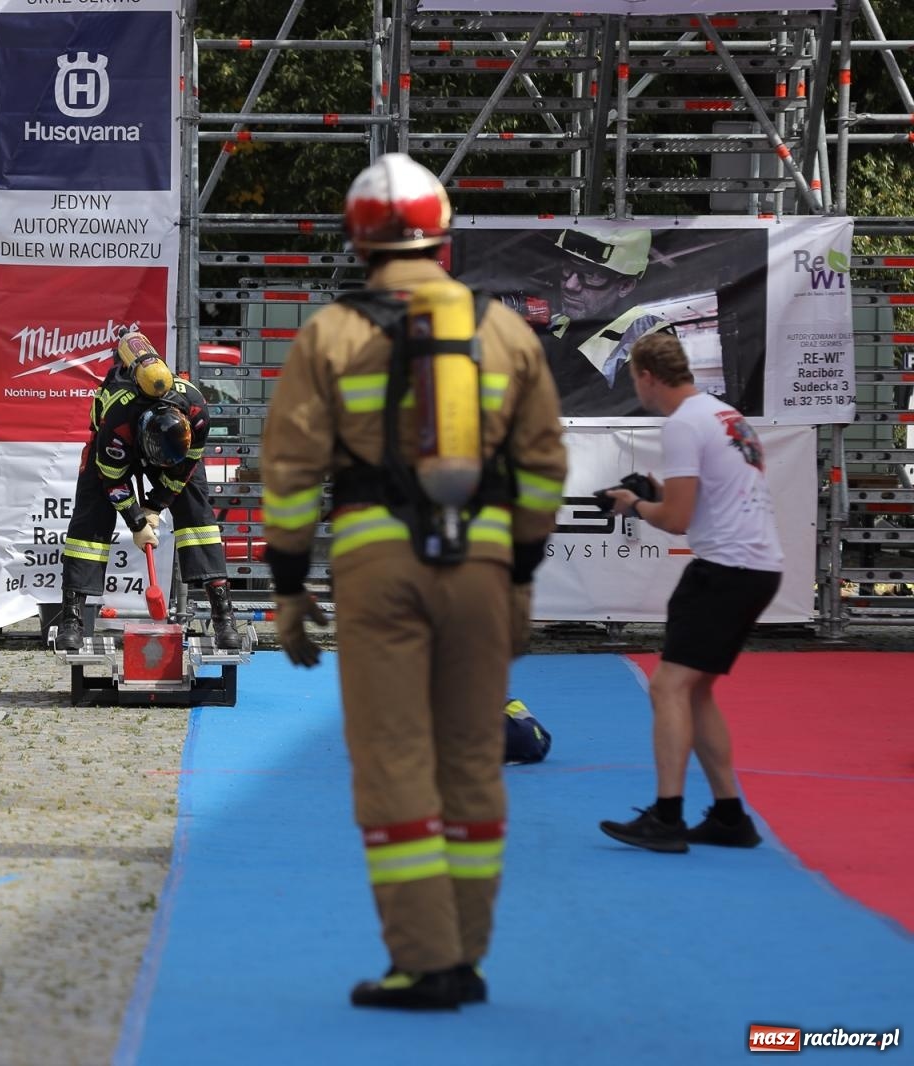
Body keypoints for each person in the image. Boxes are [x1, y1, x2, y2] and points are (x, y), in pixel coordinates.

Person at [261, 154, 567, 1010]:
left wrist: (289, 588)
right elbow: (542, 465)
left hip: (376, 568)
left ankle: (423, 962)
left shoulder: (330, 332)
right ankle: (466, 957)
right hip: (484, 567)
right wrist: (521, 575)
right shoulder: (504, 331)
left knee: (394, 758)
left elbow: (289, 472)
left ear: (360, 237)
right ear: (443, 232)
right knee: (474, 757)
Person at [598, 332, 781, 853]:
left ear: (647, 377)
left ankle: (668, 815)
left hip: (726, 567)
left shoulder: (681, 425)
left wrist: (633, 505)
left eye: (635, 378)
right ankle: (728, 815)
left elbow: (677, 520)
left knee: (668, 688)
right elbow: (714, 494)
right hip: (753, 565)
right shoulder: (723, 415)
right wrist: (652, 492)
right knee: (694, 690)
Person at [58, 329, 240, 652]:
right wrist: (137, 522)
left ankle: (224, 614)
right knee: (90, 520)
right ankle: (72, 617)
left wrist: (156, 504)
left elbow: (185, 468)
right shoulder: (117, 424)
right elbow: (113, 479)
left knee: (198, 514)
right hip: (119, 451)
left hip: (172, 453)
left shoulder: (196, 415)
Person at [538, 226, 666, 417]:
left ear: (625, 285)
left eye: (590, 275)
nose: (570, 285)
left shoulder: (650, 338)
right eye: (567, 269)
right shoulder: (557, 322)